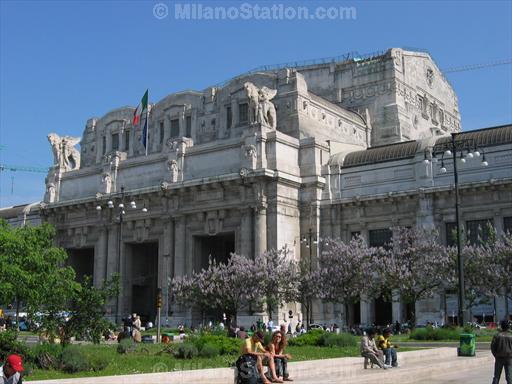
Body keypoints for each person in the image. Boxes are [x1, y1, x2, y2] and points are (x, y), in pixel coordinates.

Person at [491, 320, 512, 384]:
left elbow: (492, 347)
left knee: (496, 376)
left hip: (499, 358)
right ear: (508, 327)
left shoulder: (497, 335)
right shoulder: (511, 335)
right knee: (509, 377)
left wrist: (496, 355)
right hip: (509, 358)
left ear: (501, 326)